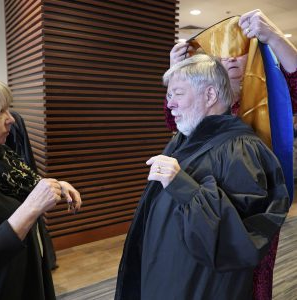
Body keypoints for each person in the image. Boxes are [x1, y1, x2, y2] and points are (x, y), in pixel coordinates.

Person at [115, 54, 289, 300]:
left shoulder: (241, 150)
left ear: (209, 95)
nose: (170, 104)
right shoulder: (185, 140)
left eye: (178, 94)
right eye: (169, 96)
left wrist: (183, 186)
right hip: (168, 276)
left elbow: (238, 242)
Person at [166, 10, 297, 300]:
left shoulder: (270, 88)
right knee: (204, 272)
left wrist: (274, 36)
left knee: (252, 271)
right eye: (222, 54)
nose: (229, 60)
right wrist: (179, 73)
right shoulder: (205, 92)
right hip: (207, 190)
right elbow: (173, 121)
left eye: (237, 53)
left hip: (256, 194)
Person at [0, 80, 82, 300]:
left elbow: (27, 181)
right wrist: (31, 207)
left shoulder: (3, 155)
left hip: (26, 272)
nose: (11, 120)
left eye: (8, 109)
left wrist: (55, 185)